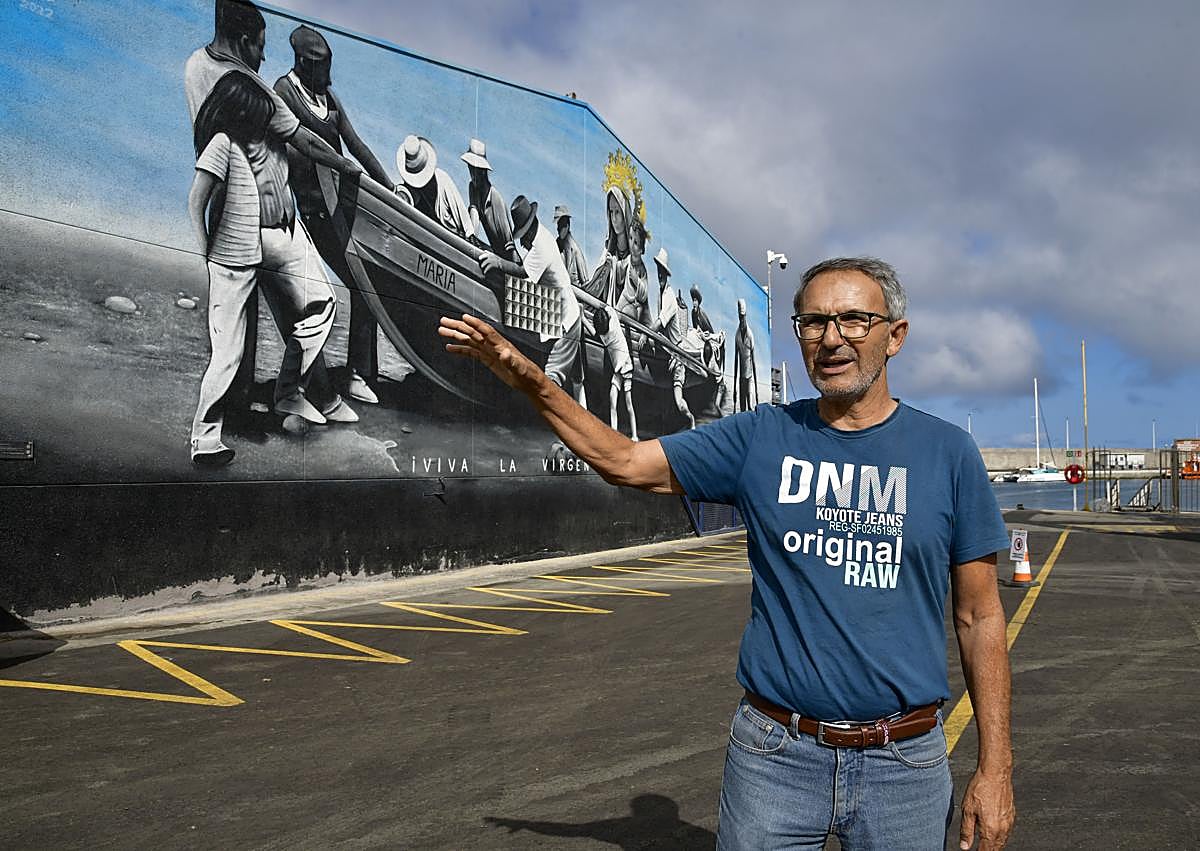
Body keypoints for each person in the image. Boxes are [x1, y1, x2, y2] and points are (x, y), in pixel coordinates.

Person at [437, 256, 1015, 851]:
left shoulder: (948, 454)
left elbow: (979, 616)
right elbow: (625, 461)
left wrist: (995, 769)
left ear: (895, 336)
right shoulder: (761, 436)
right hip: (776, 758)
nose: (831, 338)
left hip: (905, 765)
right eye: (813, 322)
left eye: (853, 320)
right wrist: (533, 381)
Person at [184, 0, 360, 429]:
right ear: (244, 41)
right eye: (260, 46)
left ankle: (287, 396)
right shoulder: (252, 89)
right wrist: (344, 165)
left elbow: (212, 151)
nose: (264, 56)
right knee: (247, 332)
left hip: (263, 220)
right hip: (250, 223)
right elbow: (303, 140)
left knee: (299, 310)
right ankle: (250, 411)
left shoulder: (200, 70)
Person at [274, 24, 396, 406]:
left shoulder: (329, 99)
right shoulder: (285, 93)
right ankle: (334, 378)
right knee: (349, 286)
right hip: (313, 211)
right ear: (302, 63)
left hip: (343, 208)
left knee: (367, 285)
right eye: (321, 68)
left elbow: (356, 145)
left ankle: (360, 373)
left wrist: (389, 187)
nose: (327, 76)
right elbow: (296, 145)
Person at [186, 72, 276, 466]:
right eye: (256, 119)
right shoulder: (222, 144)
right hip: (229, 266)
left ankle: (211, 437)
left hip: (245, 265)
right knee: (225, 357)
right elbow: (196, 201)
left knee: (232, 354)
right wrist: (207, 251)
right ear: (240, 114)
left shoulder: (238, 148)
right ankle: (203, 440)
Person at [478, 195, 587, 406]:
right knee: (577, 381)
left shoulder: (542, 246)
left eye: (523, 236)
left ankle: (560, 421)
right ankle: (584, 415)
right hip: (559, 310)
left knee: (552, 377)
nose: (522, 242)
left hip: (566, 320)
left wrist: (497, 262)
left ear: (530, 230)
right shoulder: (541, 239)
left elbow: (522, 271)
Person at [396, 135, 471, 239]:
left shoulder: (441, 178)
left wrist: (469, 232)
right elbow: (405, 197)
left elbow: (458, 205)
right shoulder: (410, 187)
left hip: (451, 234)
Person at [651, 248, 694, 429]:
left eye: (662, 271)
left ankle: (691, 420)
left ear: (666, 274)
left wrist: (646, 335)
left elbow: (660, 322)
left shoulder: (669, 297)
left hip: (677, 354)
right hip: (666, 352)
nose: (660, 274)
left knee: (678, 401)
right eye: (658, 270)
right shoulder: (660, 294)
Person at [592, 303, 637, 441]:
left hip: (625, 368)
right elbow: (607, 308)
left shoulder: (604, 337)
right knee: (615, 401)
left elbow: (593, 331)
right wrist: (603, 310)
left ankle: (634, 435)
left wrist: (582, 316)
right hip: (620, 369)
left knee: (627, 403)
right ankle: (615, 433)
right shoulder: (614, 325)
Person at [553, 205, 589, 292]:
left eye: (561, 226)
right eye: (558, 225)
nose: (558, 229)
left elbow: (585, 284)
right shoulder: (556, 246)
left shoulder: (575, 250)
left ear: (567, 226)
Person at [733, 298, 757, 411]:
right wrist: (734, 387)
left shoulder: (750, 335)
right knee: (742, 409)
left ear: (745, 316)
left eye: (743, 317)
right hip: (741, 378)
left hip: (749, 377)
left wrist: (756, 389)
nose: (742, 320)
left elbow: (754, 362)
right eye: (740, 317)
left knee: (750, 407)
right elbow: (736, 361)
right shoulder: (737, 335)